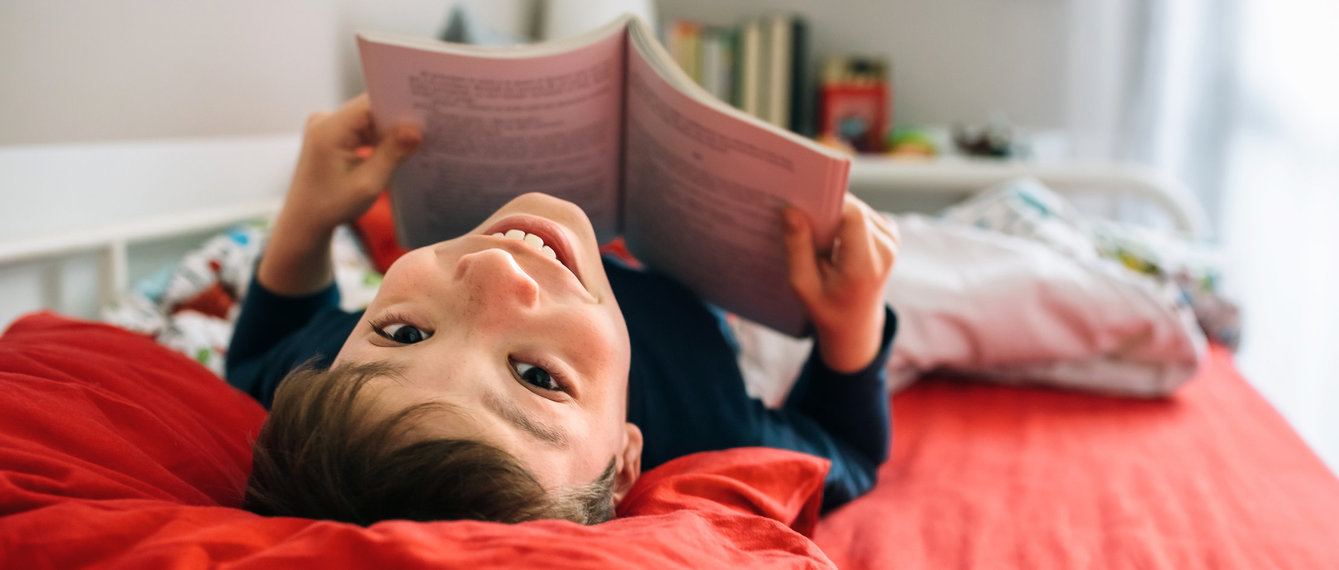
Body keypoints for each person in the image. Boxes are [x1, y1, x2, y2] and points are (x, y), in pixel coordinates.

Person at [227, 95, 900, 525]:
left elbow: (260, 356)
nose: (492, 271)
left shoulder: (335, 396)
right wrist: (851, 326)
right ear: (625, 461)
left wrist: (304, 222)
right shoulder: (706, 420)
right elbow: (848, 453)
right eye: (537, 378)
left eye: (404, 331)